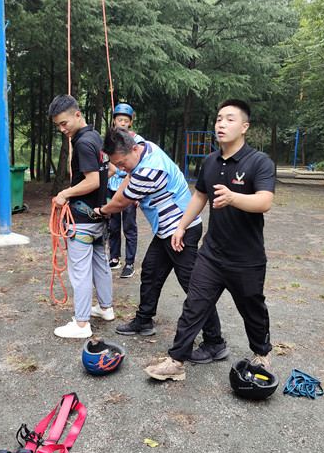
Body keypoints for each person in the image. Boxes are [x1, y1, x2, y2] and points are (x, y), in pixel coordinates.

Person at [144, 99, 276, 382]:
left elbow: (265, 201)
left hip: (247, 258)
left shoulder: (259, 162)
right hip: (212, 254)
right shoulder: (210, 162)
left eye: (229, 119)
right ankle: (176, 361)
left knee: (253, 309)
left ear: (244, 127)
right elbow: (200, 196)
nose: (221, 124)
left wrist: (233, 197)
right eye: (218, 119)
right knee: (194, 305)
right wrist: (180, 227)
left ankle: (261, 355)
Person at [94, 128, 226, 358]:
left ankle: (215, 342)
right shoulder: (145, 146)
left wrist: (102, 210)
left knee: (195, 287)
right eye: (116, 163)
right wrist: (124, 173)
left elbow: (120, 203)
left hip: (182, 231)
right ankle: (144, 320)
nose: (122, 168)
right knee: (151, 271)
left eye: (122, 163)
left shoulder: (148, 171)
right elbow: (127, 177)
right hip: (166, 230)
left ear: (133, 150)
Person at [48, 94, 113, 339]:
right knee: (100, 263)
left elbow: (93, 180)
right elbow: (110, 169)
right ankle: (105, 308)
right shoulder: (96, 138)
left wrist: (65, 192)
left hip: (83, 220)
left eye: (64, 123)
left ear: (78, 114)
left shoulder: (83, 143)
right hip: (98, 218)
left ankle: (82, 323)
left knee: (80, 271)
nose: (62, 129)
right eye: (57, 126)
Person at [107, 104, 142, 278]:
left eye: (126, 120)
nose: (122, 123)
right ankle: (114, 257)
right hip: (112, 187)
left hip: (130, 187)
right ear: (114, 120)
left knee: (129, 226)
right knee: (113, 226)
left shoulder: (136, 140)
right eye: (119, 119)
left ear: (130, 123)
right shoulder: (109, 140)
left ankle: (129, 262)